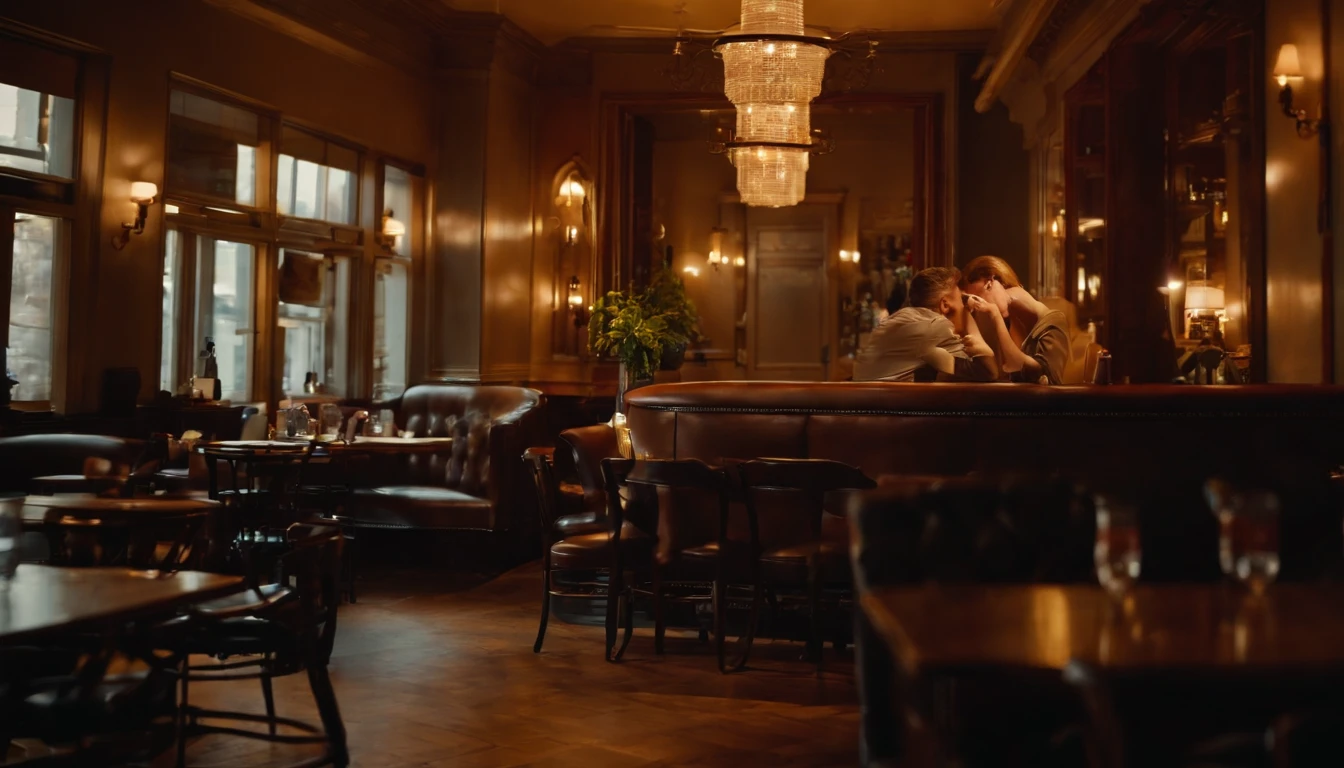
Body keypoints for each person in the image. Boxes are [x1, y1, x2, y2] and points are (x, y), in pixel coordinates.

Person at [853, 266, 997, 382]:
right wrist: (969, 316)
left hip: (868, 411)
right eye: (961, 300)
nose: (964, 307)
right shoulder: (934, 325)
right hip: (884, 413)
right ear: (945, 305)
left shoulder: (906, 320)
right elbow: (988, 372)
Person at [961, 255, 1070, 385]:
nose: (980, 309)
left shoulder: (1053, 321)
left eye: (978, 299)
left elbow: (1017, 365)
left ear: (990, 283)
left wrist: (995, 314)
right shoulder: (1012, 323)